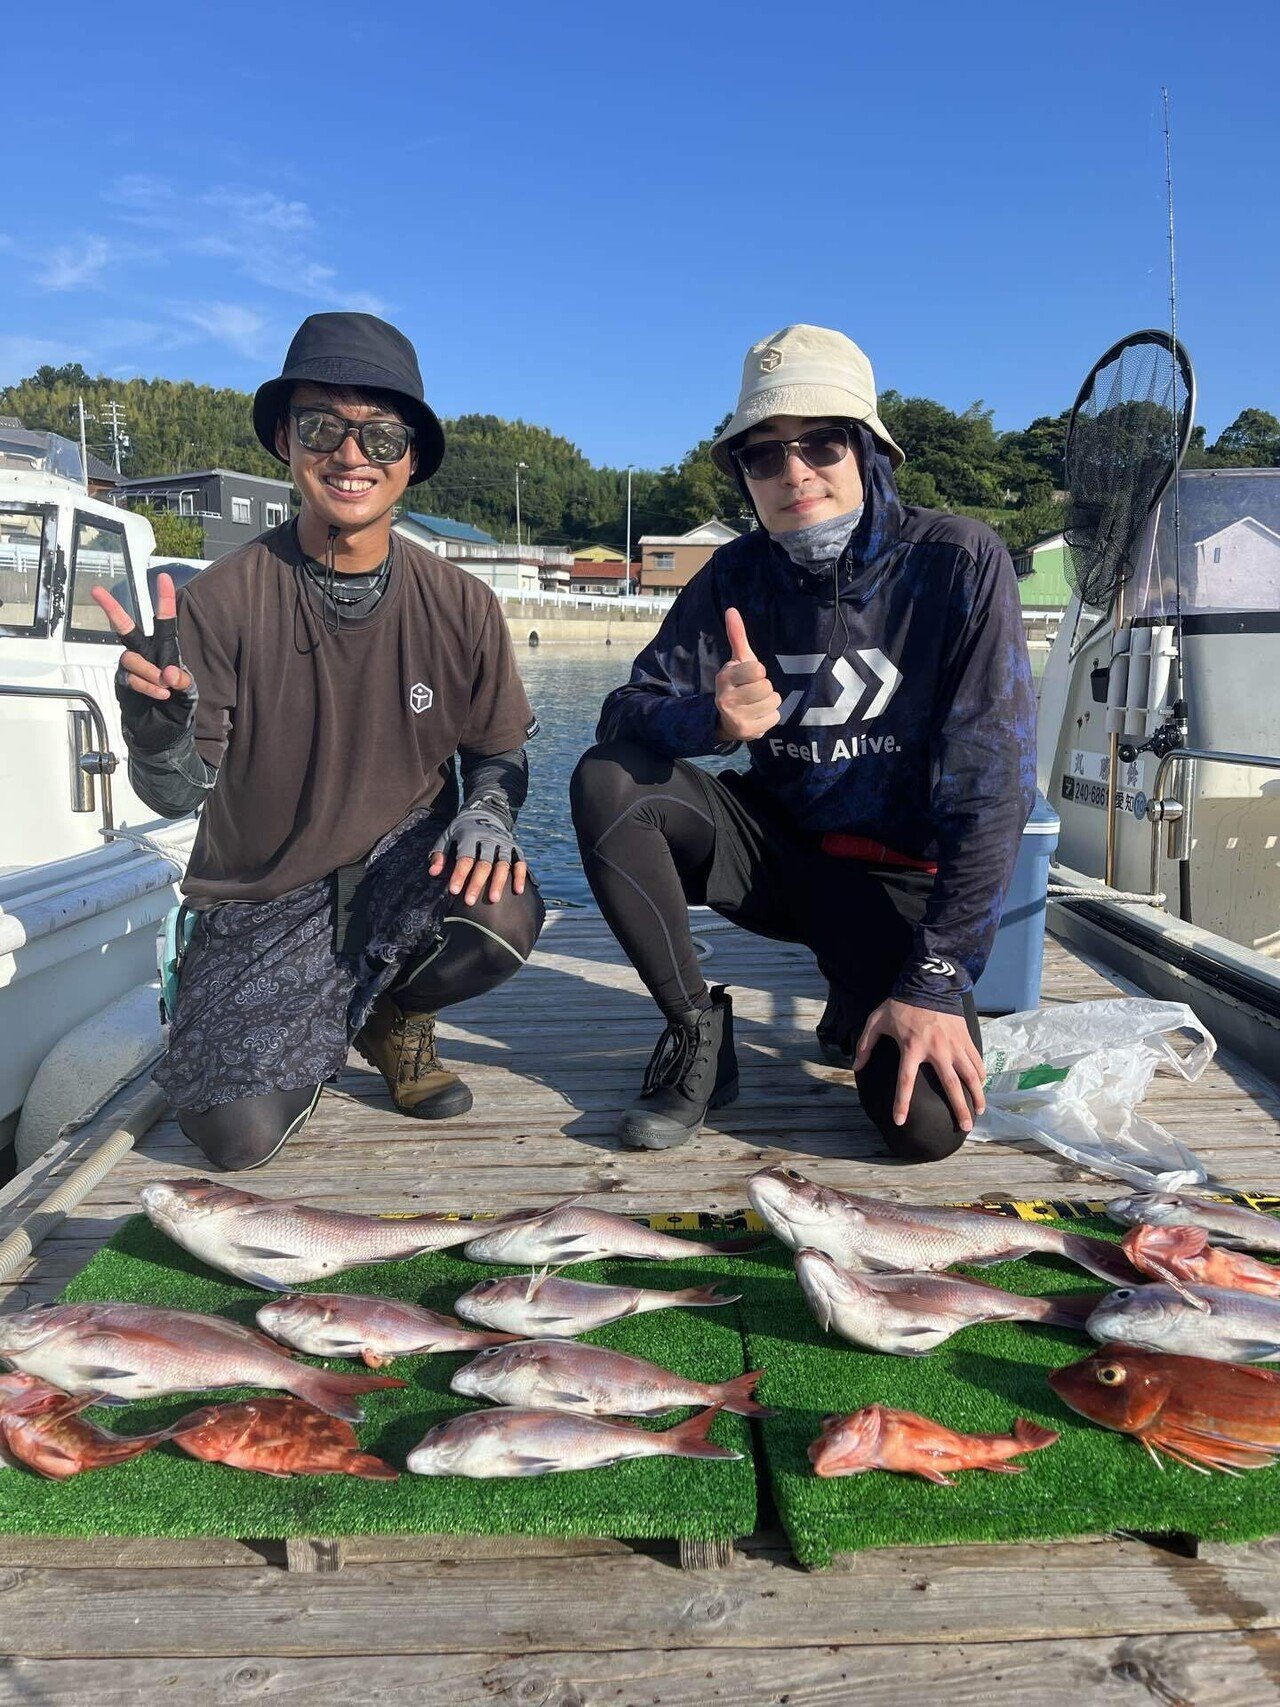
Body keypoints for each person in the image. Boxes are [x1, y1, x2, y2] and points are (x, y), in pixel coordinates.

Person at [571, 324, 1036, 1160]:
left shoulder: (958, 561)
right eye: (763, 455)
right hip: (780, 851)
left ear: (867, 449)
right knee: (610, 780)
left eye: (820, 443)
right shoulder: (733, 574)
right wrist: (707, 722)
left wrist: (937, 974)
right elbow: (625, 708)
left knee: (923, 1126)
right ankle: (696, 1035)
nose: (794, 473)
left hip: (898, 879)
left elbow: (993, 790)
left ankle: (862, 991)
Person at [93, 312, 545, 1172]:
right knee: (235, 1137)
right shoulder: (221, 600)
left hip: (398, 867)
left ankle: (389, 1015)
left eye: (380, 435)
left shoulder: (463, 605)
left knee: (505, 911)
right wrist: (155, 731)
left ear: (411, 459)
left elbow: (498, 748)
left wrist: (489, 806)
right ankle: (338, 1010)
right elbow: (182, 790)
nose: (351, 455)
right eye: (322, 428)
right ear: (284, 442)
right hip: (263, 892)